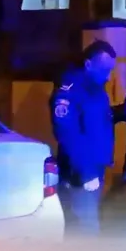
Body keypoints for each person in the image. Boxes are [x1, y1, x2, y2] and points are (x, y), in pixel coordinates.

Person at [49, 40, 117, 236]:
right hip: (80, 173)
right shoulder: (71, 91)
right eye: (105, 69)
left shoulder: (95, 88)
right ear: (88, 64)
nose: (108, 76)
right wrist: (86, 173)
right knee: (85, 229)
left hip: (94, 169)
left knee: (87, 224)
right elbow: (68, 133)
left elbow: (97, 122)